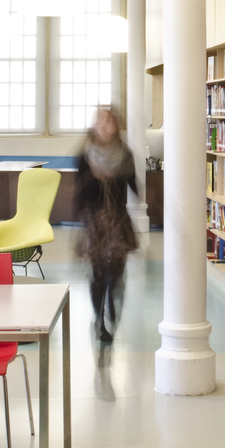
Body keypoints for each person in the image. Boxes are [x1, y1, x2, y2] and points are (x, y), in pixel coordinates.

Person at [74, 106, 138, 343]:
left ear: (116, 126)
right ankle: (99, 320)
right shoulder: (85, 156)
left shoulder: (125, 154)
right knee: (98, 273)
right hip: (95, 220)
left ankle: (112, 297)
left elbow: (133, 186)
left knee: (116, 272)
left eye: (108, 121)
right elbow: (80, 194)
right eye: (99, 121)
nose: (103, 125)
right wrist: (95, 176)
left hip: (118, 218)